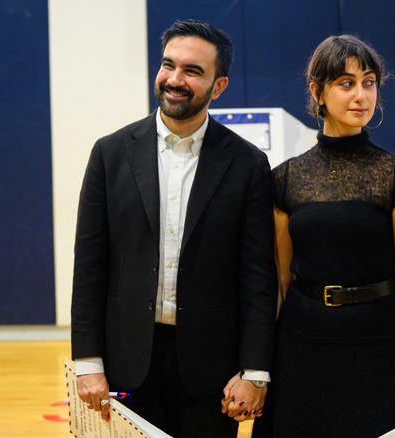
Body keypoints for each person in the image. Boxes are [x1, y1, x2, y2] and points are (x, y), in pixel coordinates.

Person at [70, 19, 277, 437]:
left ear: (218, 86)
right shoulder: (109, 154)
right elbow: (89, 266)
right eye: (169, 65)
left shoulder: (247, 164)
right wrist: (88, 364)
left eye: (192, 71)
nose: (174, 79)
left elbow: (258, 278)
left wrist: (255, 372)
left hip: (212, 369)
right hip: (126, 364)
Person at [254, 35, 395, 438]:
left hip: (380, 349)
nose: (361, 95)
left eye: (369, 82)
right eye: (346, 83)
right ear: (317, 92)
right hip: (302, 348)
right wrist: (258, 370)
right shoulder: (286, 179)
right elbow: (280, 283)